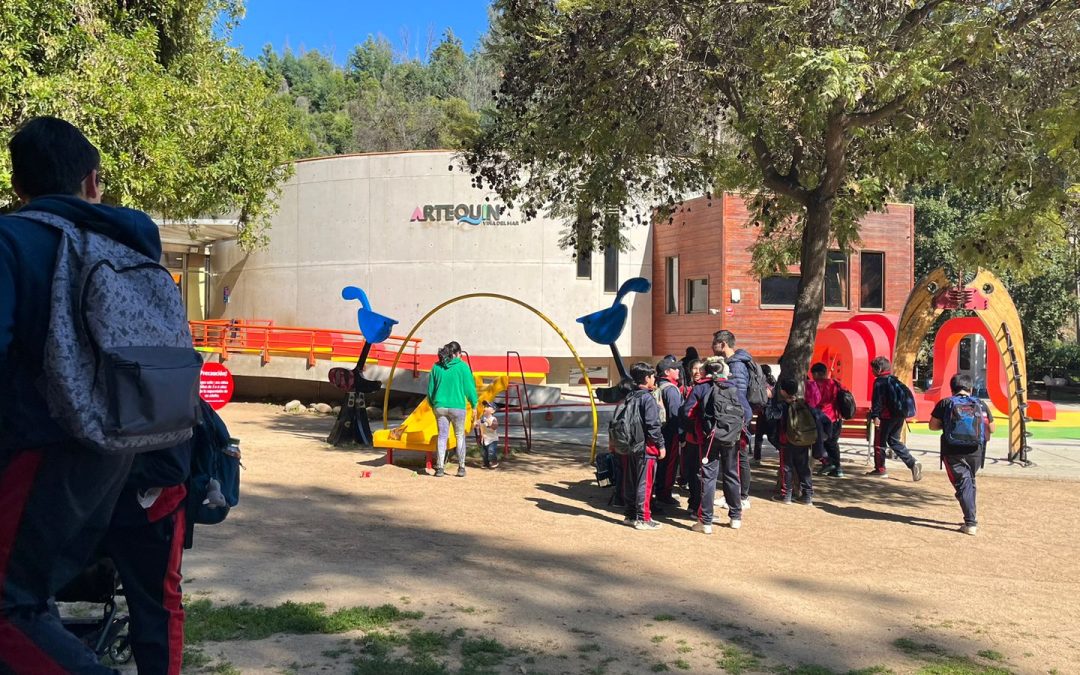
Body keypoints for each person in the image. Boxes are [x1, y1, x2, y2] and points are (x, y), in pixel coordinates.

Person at [0, 116, 164, 672]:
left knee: (8, 608)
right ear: (93, 181)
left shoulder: (12, 241)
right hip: (113, 451)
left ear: (18, 185)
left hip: (31, 449)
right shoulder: (128, 243)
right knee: (32, 594)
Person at [104, 443, 191, 675]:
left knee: (155, 612)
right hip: (87, 507)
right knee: (27, 601)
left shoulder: (167, 406)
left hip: (150, 514)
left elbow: (171, 468)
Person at [929, 374, 994, 536]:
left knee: (962, 484)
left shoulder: (945, 403)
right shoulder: (980, 404)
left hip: (952, 451)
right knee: (969, 481)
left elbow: (933, 426)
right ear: (970, 388)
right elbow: (991, 428)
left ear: (952, 388)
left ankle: (970, 522)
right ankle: (970, 515)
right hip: (976, 451)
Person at [692, 360, 752, 533]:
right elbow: (746, 413)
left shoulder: (702, 388)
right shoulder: (734, 389)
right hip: (733, 439)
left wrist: (700, 431)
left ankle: (706, 521)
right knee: (732, 475)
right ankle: (735, 517)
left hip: (709, 439)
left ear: (707, 372)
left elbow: (688, 412)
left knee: (708, 478)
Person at [619, 362, 666, 531]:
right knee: (644, 483)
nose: (654, 379)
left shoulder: (631, 396)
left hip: (631, 445)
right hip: (646, 447)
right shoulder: (648, 398)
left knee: (631, 481)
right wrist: (660, 445)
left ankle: (630, 515)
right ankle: (643, 518)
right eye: (653, 377)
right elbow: (653, 425)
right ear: (647, 378)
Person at [712, 330, 753, 508]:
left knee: (739, 457)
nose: (712, 347)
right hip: (734, 416)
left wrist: (738, 419)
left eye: (714, 343)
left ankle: (741, 497)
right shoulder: (733, 363)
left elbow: (738, 394)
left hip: (737, 417)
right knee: (735, 458)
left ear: (723, 344)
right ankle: (735, 495)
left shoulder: (736, 365)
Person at [427, 341, 478, 477]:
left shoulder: (436, 367)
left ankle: (440, 468)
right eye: (460, 354)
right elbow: (469, 388)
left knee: (442, 436)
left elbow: (430, 389)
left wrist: (433, 405)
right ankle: (461, 468)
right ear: (457, 353)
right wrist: (474, 404)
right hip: (457, 407)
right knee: (459, 436)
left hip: (440, 406)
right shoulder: (463, 367)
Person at [868, 356, 923, 481]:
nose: (872, 372)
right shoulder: (895, 380)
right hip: (899, 416)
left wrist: (875, 416)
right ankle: (912, 463)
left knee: (880, 443)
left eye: (873, 369)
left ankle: (880, 469)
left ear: (879, 369)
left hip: (885, 417)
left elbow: (877, 401)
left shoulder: (879, 382)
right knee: (894, 441)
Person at [768, 379, 815, 505]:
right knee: (804, 467)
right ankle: (807, 495)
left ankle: (786, 494)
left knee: (787, 467)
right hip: (803, 439)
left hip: (786, 440)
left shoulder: (782, 406)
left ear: (783, 391)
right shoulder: (803, 404)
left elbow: (772, 418)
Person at [678, 358, 714, 517]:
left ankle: (696, 505)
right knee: (695, 472)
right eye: (694, 368)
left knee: (697, 472)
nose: (697, 372)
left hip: (697, 436)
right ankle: (696, 506)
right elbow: (685, 413)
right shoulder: (688, 389)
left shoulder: (704, 387)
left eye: (700, 369)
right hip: (693, 436)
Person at [652, 355, 684, 507]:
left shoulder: (657, 386)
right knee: (669, 465)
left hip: (658, 433)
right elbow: (675, 416)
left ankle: (658, 490)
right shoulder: (671, 390)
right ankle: (664, 493)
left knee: (660, 464)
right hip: (670, 435)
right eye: (675, 368)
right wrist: (681, 435)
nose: (678, 370)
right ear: (666, 372)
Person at [806, 362, 844, 478]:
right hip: (837, 417)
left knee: (822, 443)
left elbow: (814, 401)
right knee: (833, 444)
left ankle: (829, 463)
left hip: (823, 418)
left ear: (817, 374)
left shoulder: (815, 385)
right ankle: (837, 468)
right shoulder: (836, 383)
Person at [751, 364, 777, 464]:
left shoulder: (762, 382)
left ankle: (757, 458)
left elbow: (766, 396)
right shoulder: (773, 381)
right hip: (771, 412)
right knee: (770, 436)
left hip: (764, 412)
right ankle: (782, 452)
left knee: (761, 436)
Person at [477, 400, 500, 469]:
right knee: (484, 452)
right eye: (485, 406)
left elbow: (494, 427)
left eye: (487, 406)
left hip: (492, 439)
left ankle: (494, 462)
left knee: (491, 451)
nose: (485, 408)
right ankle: (486, 463)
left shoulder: (493, 418)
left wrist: (487, 421)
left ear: (493, 411)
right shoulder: (482, 418)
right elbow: (478, 425)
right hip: (484, 438)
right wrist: (476, 423)